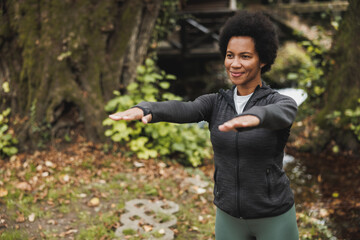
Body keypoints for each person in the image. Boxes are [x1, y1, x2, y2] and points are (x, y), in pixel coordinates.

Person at [109, 10, 299, 240]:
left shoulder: (278, 101)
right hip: (228, 216)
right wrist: (148, 109)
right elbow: (186, 109)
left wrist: (256, 116)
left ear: (264, 60)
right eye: (230, 55)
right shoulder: (216, 102)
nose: (235, 64)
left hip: (274, 217)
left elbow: (282, 113)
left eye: (245, 56)